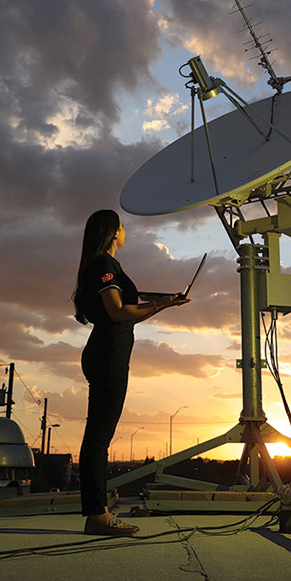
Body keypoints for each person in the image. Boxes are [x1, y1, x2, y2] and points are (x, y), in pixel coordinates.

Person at [73, 209, 190, 537]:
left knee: (99, 436)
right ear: (112, 233)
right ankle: (97, 515)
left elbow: (128, 315)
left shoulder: (110, 266)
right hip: (106, 355)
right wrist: (160, 303)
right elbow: (117, 310)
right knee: (98, 438)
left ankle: (98, 512)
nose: (126, 230)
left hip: (110, 353)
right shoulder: (103, 265)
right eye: (122, 226)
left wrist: (165, 303)